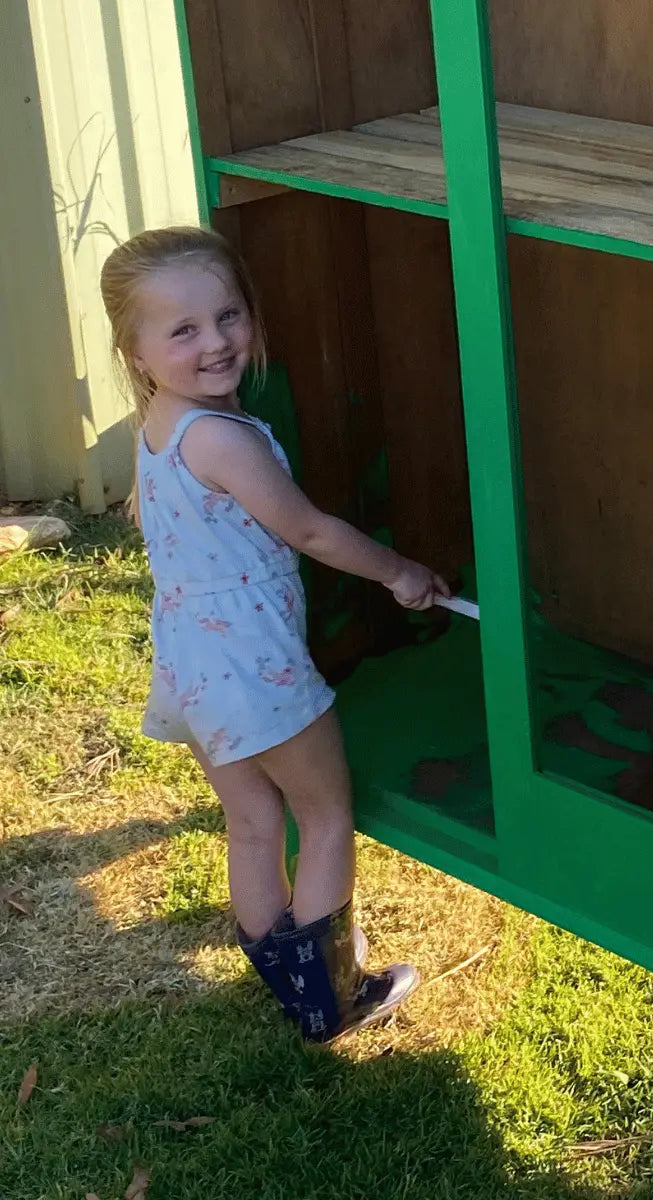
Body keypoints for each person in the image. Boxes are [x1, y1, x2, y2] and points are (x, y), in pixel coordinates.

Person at [100, 226, 449, 1042]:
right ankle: (332, 994)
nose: (216, 342)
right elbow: (312, 531)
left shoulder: (158, 428)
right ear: (137, 349)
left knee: (254, 820)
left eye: (228, 316)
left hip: (194, 663)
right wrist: (398, 572)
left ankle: (281, 975)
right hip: (255, 671)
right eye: (183, 331)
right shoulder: (222, 438)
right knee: (323, 815)